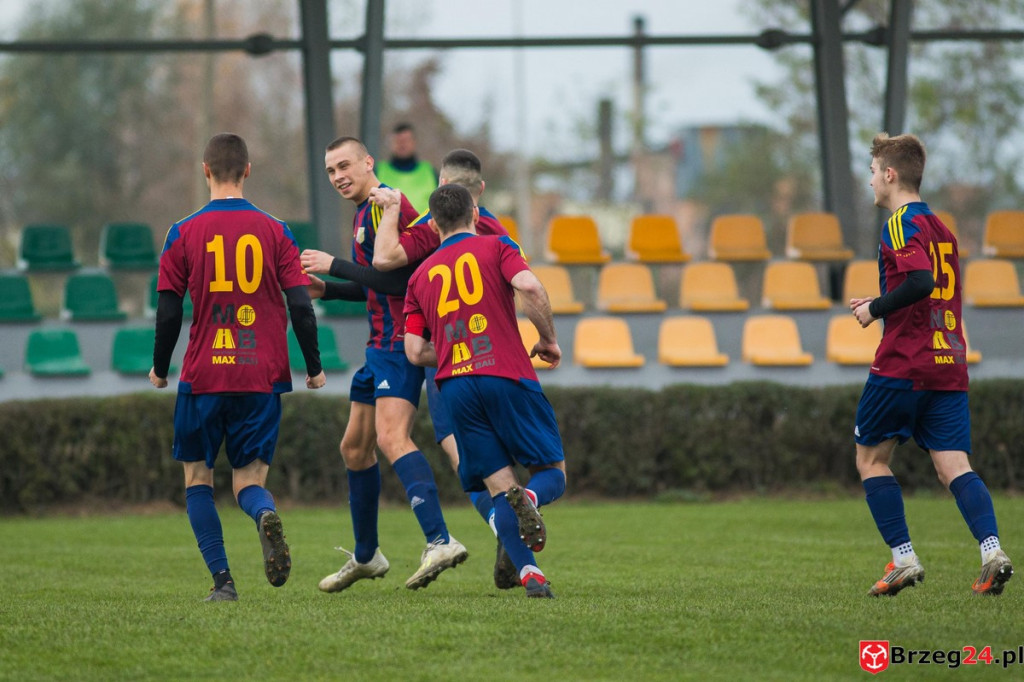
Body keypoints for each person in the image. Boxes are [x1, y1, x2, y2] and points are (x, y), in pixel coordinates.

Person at [150, 132, 326, 602]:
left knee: (197, 480)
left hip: (205, 374)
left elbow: (168, 312)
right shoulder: (277, 230)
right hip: (261, 374)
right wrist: (312, 367)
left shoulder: (182, 231)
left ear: (205, 170)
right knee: (248, 481)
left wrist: (159, 368)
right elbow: (302, 306)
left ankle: (223, 583)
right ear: (248, 171)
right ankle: (263, 513)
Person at [301, 136, 468, 594]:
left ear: (368, 162)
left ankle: (439, 539)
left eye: (344, 165)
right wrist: (329, 289)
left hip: (401, 341)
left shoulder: (386, 205)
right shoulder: (365, 212)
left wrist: (334, 264)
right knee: (354, 449)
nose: (337, 176)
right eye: (331, 170)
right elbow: (376, 285)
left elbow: (402, 282)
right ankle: (367, 555)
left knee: (392, 437)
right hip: (379, 345)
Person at [852, 132, 1013, 597]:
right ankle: (991, 551)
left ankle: (903, 559)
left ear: (889, 174)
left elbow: (920, 281)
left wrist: (874, 309)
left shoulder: (901, 223)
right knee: (954, 466)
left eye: (871, 173)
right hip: (949, 362)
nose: (870, 183)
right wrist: (885, 301)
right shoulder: (943, 228)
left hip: (905, 362)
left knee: (870, 459)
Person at [403, 183, 567, 599]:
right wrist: (547, 338)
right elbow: (530, 287)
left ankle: (530, 574)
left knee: (499, 489)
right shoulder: (498, 247)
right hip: (507, 375)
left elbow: (414, 350)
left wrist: (455, 354)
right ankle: (530, 496)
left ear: (434, 224)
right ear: (475, 213)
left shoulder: (419, 276)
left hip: (456, 387)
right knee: (552, 475)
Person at [370, 148, 521, 589]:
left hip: (450, 361)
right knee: (505, 459)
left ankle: (505, 530)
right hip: (499, 362)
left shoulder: (433, 227)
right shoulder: (500, 232)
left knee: (467, 461)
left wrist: (395, 209)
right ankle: (517, 515)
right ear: (482, 192)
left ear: (441, 190)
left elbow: (383, 259)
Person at [374, 122, 438, 213]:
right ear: (391, 143)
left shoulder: (430, 172)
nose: (402, 145)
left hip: (423, 227)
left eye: (406, 140)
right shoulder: (378, 172)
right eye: (398, 141)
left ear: (414, 142)